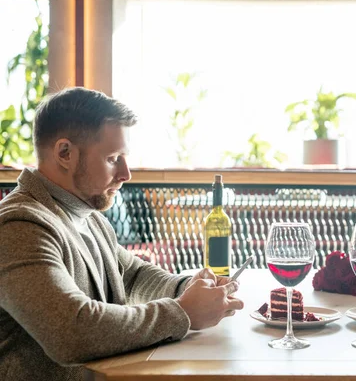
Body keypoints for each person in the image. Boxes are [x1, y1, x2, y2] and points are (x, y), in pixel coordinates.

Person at [0, 87, 244, 381]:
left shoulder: (88, 215)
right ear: (64, 152)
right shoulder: (19, 226)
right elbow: (71, 331)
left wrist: (187, 288)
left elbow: (132, 275)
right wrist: (184, 313)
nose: (126, 174)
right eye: (113, 158)